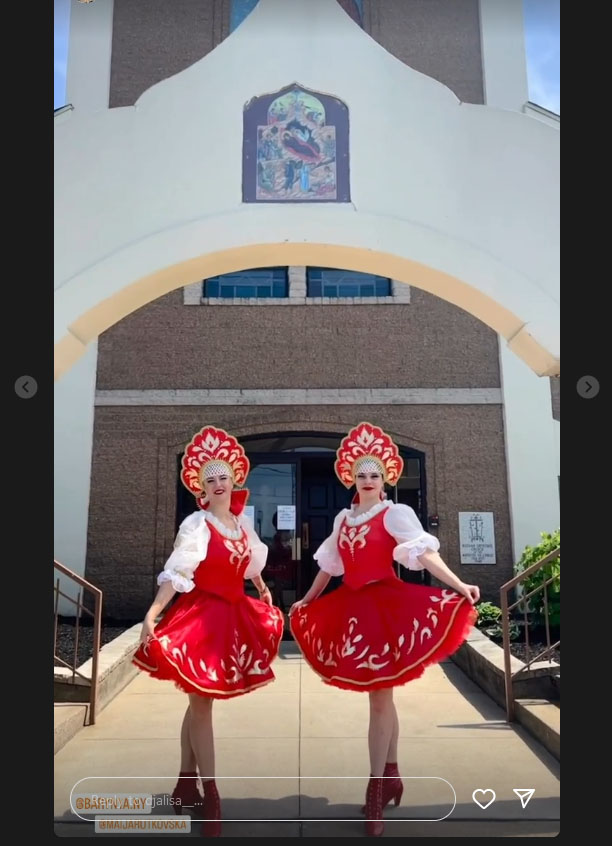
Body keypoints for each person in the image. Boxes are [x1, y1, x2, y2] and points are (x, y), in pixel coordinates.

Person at [289, 422, 479, 837]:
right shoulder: (343, 518)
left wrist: (459, 584)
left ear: (385, 478)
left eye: (375, 475)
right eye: (362, 475)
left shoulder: (395, 513)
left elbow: (424, 555)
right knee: (381, 698)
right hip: (351, 609)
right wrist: (307, 600)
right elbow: (329, 566)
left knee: (379, 700)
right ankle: (391, 773)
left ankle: (376, 788)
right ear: (351, 479)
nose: (369, 480)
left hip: (385, 609)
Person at [132, 426, 284, 836]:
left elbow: (250, 565)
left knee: (197, 703)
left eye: (223, 478)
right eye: (210, 479)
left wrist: (265, 590)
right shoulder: (196, 525)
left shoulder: (240, 524)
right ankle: (210, 793)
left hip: (235, 617)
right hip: (202, 619)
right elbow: (178, 572)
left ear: (234, 480)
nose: (218, 484)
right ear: (201, 487)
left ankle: (185, 783)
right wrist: (153, 612)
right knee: (202, 704)